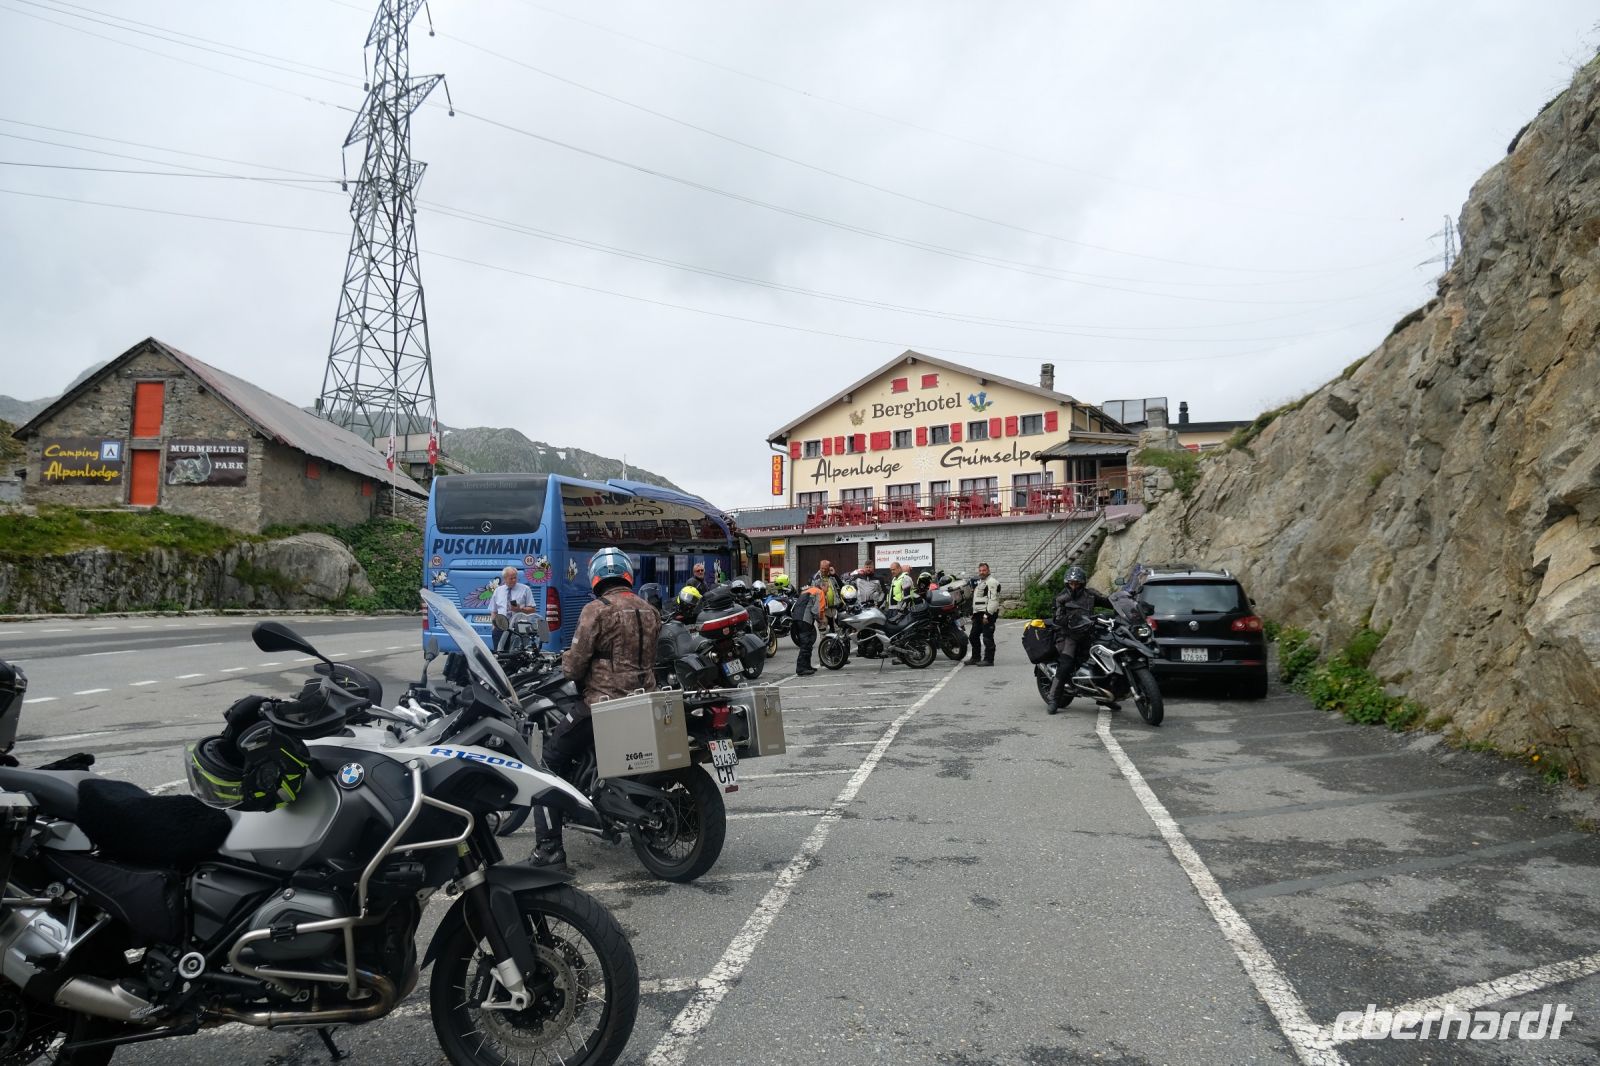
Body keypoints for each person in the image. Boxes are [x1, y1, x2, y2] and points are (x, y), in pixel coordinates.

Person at [532, 547, 661, 868]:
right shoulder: (649, 610)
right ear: (627, 574)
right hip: (644, 702)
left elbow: (574, 667)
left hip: (602, 704)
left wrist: (566, 662)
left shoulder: (597, 610)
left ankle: (549, 849)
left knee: (547, 762)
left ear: (597, 577)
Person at [1046, 566, 1114, 714]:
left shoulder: (1090, 595)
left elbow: (1108, 602)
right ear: (1067, 583)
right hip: (1069, 635)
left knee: (1106, 659)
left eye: (1077, 583)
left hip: (1090, 632)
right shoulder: (1061, 598)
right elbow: (1057, 618)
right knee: (1066, 663)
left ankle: (1107, 697)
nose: (1074, 586)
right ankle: (1053, 699)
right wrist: (1069, 619)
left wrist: (1122, 601)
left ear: (1082, 583)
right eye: (1071, 583)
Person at [489, 565, 537, 652]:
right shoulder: (498, 591)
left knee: (519, 654)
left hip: (519, 627)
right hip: (501, 626)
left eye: (515, 578)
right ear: (505, 579)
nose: (514, 580)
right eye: (511, 578)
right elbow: (494, 611)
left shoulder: (525, 589)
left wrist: (520, 609)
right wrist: (494, 626)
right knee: (499, 654)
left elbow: (533, 610)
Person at [968, 562, 1001, 666]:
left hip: (987, 614)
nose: (982, 572)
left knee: (987, 637)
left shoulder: (991, 582)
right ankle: (975, 657)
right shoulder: (981, 582)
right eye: (980, 570)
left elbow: (993, 600)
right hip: (978, 614)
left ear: (988, 571)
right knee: (973, 636)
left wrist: (987, 615)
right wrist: (974, 614)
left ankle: (989, 660)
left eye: (984, 570)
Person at [792, 577, 825, 676]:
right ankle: (801, 668)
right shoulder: (819, 592)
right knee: (806, 644)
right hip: (805, 619)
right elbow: (816, 611)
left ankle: (807, 666)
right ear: (822, 586)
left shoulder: (806, 591)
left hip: (796, 618)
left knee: (808, 642)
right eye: (827, 587)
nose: (827, 590)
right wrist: (821, 620)